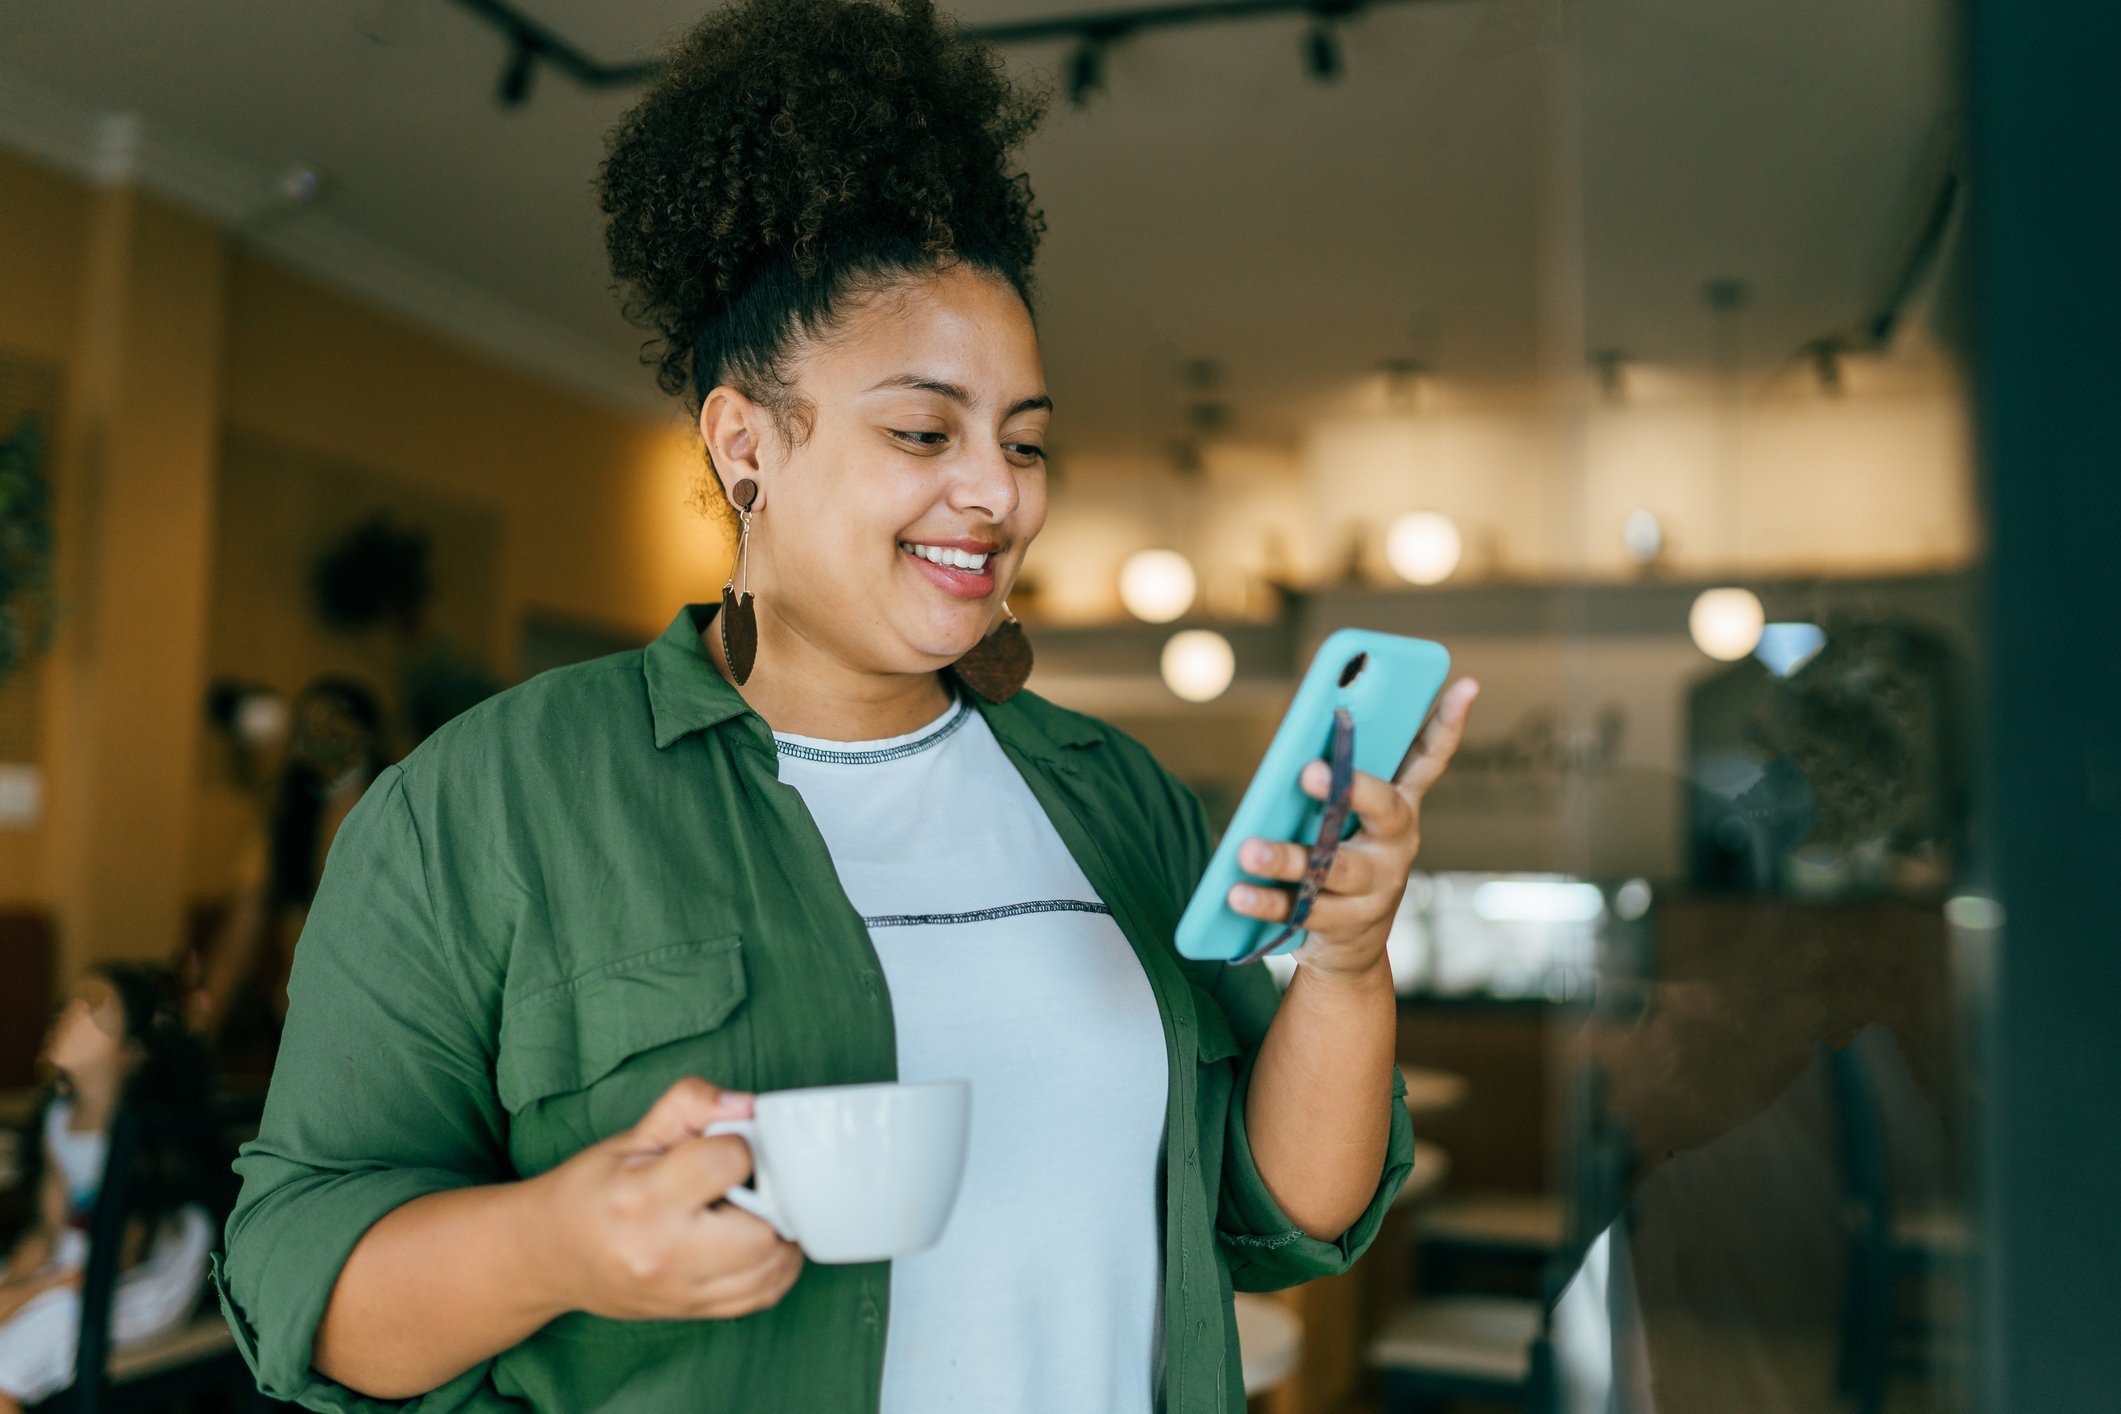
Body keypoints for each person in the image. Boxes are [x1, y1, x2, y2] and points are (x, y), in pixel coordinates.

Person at [213, 2, 1481, 1410]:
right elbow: (293, 1280)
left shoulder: (1112, 797)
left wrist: (1348, 963)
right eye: (923, 431)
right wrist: (557, 1243)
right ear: (744, 443)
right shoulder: (485, 806)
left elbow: (1277, 1214)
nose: (996, 492)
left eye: (1025, 441)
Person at [0, 965, 221, 1412]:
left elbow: (124, 1254)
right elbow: (48, 1233)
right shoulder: (59, 1122)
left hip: (134, 1277)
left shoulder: (146, 1144)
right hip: (73, 1264)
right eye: (67, 1006)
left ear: (132, 1052)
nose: (67, 1016)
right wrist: (17, 1284)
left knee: (46, 1325)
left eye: (91, 1011)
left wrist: (34, 1293)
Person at [188, 675, 388, 1063]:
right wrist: (198, 1031)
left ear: (369, 736)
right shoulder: (283, 822)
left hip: (388, 1019)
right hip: (303, 1018)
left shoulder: (399, 815)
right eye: (309, 727)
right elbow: (238, 938)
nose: (323, 738)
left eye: (338, 725)